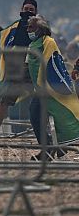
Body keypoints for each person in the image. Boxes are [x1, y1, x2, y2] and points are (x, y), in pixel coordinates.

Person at [25, 15, 79, 158]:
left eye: (31, 27)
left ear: (40, 29)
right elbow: (29, 65)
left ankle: (49, 149)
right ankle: (52, 148)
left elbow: (50, 63)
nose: (28, 29)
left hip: (49, 88)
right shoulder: (33, 44)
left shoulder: (48, 42)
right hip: (39, 88)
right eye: (28, 27)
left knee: (43, 115)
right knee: (39, 117)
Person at [0, 0, 38, 133]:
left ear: (36, 11)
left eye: (31, 10)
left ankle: (49, 137)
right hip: (17, 69)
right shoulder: (14, 27)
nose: (28, 12)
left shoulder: (40, 27)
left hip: (34, 68)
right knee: (4, 102)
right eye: (26, 9)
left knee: (40, 104)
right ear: (21, 10)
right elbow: (4, 41)